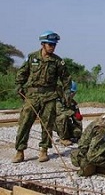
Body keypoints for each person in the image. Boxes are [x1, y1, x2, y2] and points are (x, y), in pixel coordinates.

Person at [13, 30, 72, 163]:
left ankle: (44, 150)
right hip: (32, 95)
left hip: (49, 96)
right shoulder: (32, 57)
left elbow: (66, 78)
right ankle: (20, 151)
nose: (52, 47)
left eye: (54, 45)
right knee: (24, 123)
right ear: (43, 44)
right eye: (50, 44)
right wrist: (19, 85)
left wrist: (67, 92)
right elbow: (22, 72)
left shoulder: (58, 61)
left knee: (47, 125)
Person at [55, 81, 83, 146]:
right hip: (55, 123)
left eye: (73, 92)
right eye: (71, 92)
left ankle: (70, 136)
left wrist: (79, 135)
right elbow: (60, 111)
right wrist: (73, 113)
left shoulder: (73, 103)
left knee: (77, 132)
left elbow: (78, 119)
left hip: (66, 123)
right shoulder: (58, 101)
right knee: (63, 116)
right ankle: (63, 138)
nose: (72, 94)